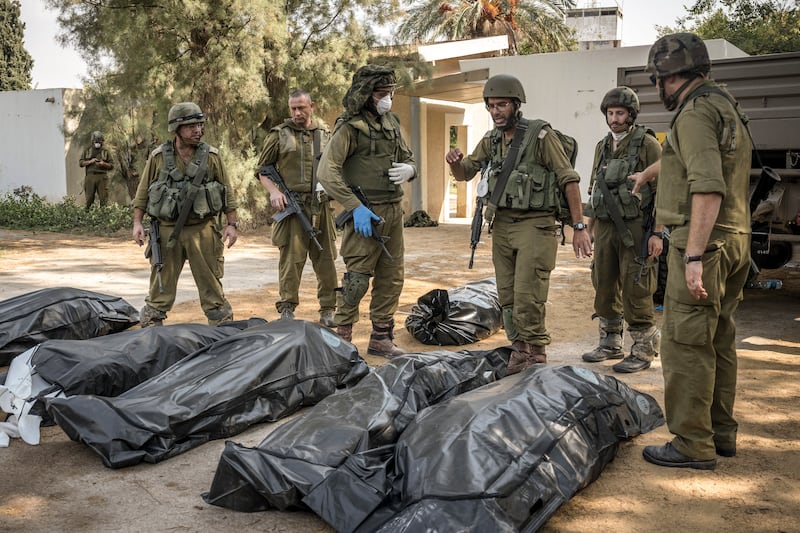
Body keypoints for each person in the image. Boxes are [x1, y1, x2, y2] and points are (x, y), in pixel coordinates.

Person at [638, 33, 751, 470]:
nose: (658, 89)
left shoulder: (693, 113)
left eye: (658, 80)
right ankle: (720, 435)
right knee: (719, 340)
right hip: (736, 238)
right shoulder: (724, 104)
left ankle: (691, 444)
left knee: (686, 345)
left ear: (671, 76)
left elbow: (707, 186)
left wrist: (693, 257)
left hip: (704, 241)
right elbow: (688, 159)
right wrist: (648, 173)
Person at [445, 74, 593, 374]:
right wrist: (454, 162)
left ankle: (537, 353)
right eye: (490, 106)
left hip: (536, 225)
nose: (495, 111)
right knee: (508, 294)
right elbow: (465, 174)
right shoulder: (491, 140)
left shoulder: (540, 136)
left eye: (501, 105)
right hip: (502, 225)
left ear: (515, 104)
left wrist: (578, 227)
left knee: (529, 294)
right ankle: (520, 349)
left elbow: (569, 179)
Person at [317, 64, 417, 358]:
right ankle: (343, 339)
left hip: (392, 212)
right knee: (357, 277)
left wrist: (411, 170)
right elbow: (327, 171)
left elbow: (407, 156)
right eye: (382, 93)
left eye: (391, 92)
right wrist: (354, 206)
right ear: (366, 94)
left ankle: (381, 339)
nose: (388, 98)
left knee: (392, 276)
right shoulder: (350, 127)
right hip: (364, 213)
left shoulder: (392, 123)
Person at [132, 102, 239, 327]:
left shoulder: (211, 157)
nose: (197, 130)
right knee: (161, 285)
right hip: (167, 231)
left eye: (199, 125)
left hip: (203, 231)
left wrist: (232, 224)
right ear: (176, 129)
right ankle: (152, 330)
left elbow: (227, 192)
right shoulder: (159, 157)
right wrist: (137, 223)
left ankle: (222, 330)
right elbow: (142, 193)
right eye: (191, 126)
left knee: (211, 286)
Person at [581, 87, 664, 374]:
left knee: (636, 286)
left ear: (631, 115)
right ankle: (609, 341)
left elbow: (663, 190)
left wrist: (658, 233)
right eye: (610, 113)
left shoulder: (648, 144)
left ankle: (642, 348)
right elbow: (595, 191)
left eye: (620, 113)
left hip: (636, 228)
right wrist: (588, 229)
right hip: (604, 227)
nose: (614, 119)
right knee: (603, 282)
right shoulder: (602, 146)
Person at [256, 90, 338, 325]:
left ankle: (328, 310)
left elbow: (335, 166)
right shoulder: (279, 135)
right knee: (291, 261)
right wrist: (274, 191)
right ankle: (287, 309)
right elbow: (263, 170)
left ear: (311, 106)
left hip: (320, 207)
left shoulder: (324, 134)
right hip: (292, 208)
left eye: (301, 107)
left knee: (326, 259)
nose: (297, 112)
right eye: (293, 108)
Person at [79, 131, 113, 209]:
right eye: (96, 141)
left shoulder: (105, 152)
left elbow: (111, 165)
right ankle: (88, 217)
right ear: (92, 141)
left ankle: (103, 216)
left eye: (99, 141)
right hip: (90, 177)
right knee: (89, 199)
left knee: (103, 199)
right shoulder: (87, 150)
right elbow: (81, 163)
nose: (98, 143)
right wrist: (90, 161)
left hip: (102, 177)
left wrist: (103, 164)